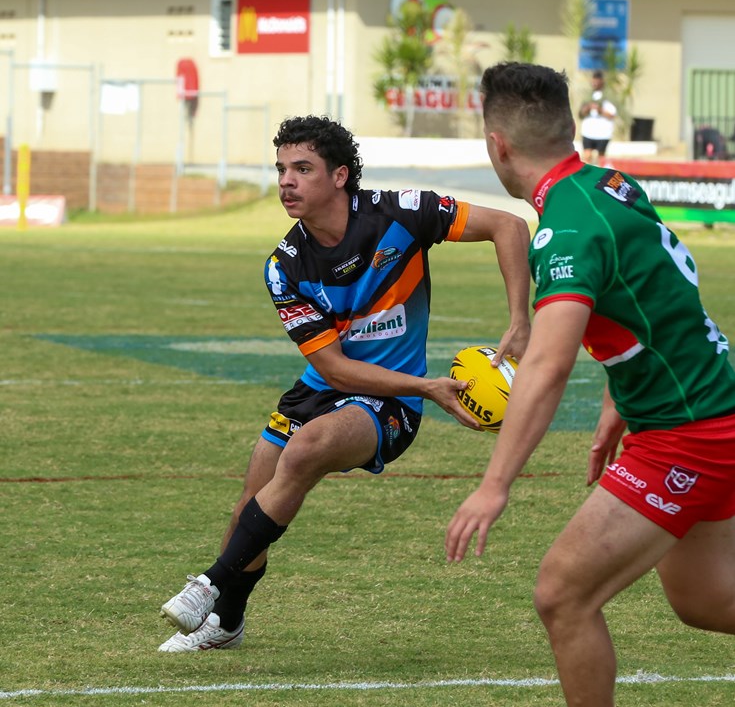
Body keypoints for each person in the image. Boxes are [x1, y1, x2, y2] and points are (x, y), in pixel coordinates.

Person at [158, 114, 531, 652]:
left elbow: (510, 226)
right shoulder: (284, 267)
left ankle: (209, 585)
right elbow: (333, 369)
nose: (286, 181)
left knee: (307, 449)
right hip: (325, 386)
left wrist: (519, 319)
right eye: (281, 169)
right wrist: (430, 386)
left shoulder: (402, 213)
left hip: (393, 397)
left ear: (339, 176)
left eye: (302, 168)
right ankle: (227, 622)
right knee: (249, 507)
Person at [445, 62, 735, 707]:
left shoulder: (568, 230)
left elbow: (546, 366)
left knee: (562, 594)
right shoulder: (610, 185)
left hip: (689, 436)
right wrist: (617, 401)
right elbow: (653, 300)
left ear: (497, 145)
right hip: (703, 416)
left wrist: (494, 486)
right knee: (706, 598)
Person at [578, 69, 617, 164]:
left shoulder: (609, 96)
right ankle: (588, 173)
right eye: (593, 81)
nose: (594, 83)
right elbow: (581, 113)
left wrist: (600, 110)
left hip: (603, 133)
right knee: (587, 156)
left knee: (601, 158)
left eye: (597, 81)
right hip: (588, 132)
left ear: (602, 82)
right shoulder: (588, 96)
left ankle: (600, 173)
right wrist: (587, 108)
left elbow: (612, 115)